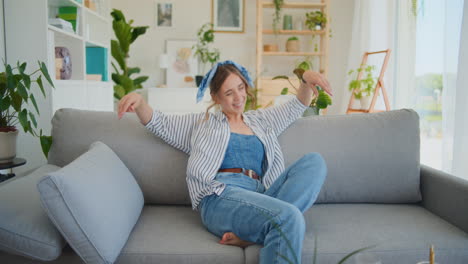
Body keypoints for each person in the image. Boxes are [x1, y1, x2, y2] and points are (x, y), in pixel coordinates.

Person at [117, 60, 333, 264]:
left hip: (261, 196)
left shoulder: (261, 120)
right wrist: (140, 102)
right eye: (229, 92)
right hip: (221, 196)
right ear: (216, 97)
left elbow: (298, 105)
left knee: (314, 162)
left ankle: (250, 235)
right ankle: (269, 226)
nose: (239, 97)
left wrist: (306, 78)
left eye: (241, 87)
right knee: (290, 217)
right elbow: (159, 122)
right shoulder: (202, 123)